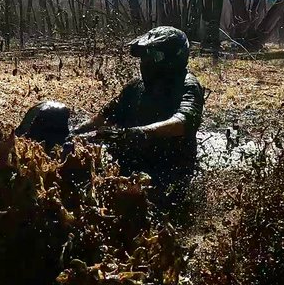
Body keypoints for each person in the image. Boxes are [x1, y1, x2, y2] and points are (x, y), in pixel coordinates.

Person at [73, 26, 205, 209]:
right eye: (144, 57)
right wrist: (77, 132)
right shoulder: (136, 87)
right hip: (133, 162)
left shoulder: (187, 85)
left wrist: (142, 133)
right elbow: (105, 116)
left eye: (152, 57)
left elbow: (184, 121)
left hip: (169, 168)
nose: (145, 62)